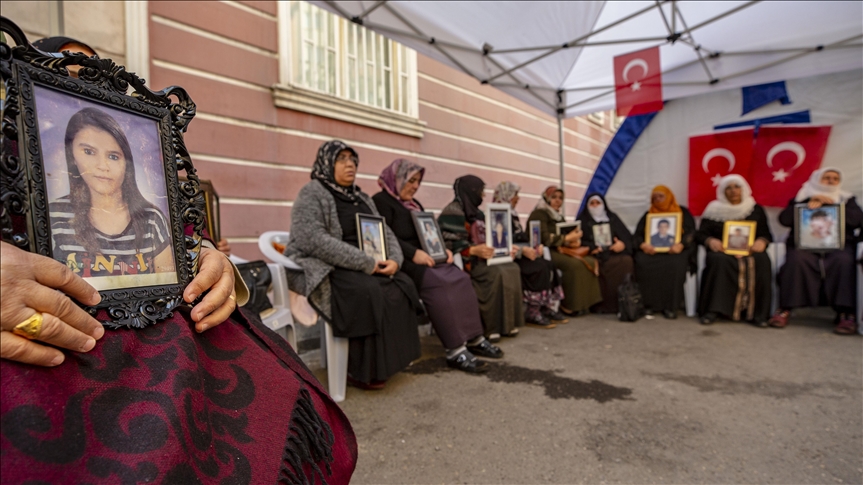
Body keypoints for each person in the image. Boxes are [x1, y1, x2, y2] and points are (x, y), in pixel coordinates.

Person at [1, 37, 357, 484]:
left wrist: (203, 256)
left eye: (113, 152)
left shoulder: (149, 215)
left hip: (172, 324)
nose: (102, 165)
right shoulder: (34, 194)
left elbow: (183, 245)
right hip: (57, 344)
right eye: (62, 81)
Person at [284, 141, 422, 389]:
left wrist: (395, 261)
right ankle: (359, 371)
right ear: (327, 163)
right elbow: (311, 238)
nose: (350, 165)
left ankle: (391, 361)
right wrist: (366, 263)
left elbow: (386, 233)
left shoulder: (362, 197)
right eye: (342, 159)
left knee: (402, 284)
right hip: (326, 263)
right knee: (366, 291)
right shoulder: (312, 192)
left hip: (364, 264)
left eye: (353, 160)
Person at [372, 159, 503, 373]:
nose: (415, 186)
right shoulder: (381, 201)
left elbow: (429, 232)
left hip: (429, 257)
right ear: (396, 178)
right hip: (403, 260)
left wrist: (443, 249)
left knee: (460, 278)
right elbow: (386, 236)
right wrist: (414, 254)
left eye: (418, 181)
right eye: (411, 180)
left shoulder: (415, 205)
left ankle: (474, 339)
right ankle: (455, 350)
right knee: (439, 282)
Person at [50, 107, 175, 278]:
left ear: (127, 163)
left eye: (113, 156)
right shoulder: (54, 215)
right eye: (89, 152)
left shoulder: (151, 219)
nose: (102, 166)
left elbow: (167, 287)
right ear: (72, 155)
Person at [770, 168, 863, 334]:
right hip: (805, 246)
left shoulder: (847, 198)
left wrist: (833, 206)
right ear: (817, 179)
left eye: (835, 178)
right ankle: (785, 309)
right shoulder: (802, 196)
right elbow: (784, 219)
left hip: (838, 247)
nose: (831, 181)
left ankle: (845, 313)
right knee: (796, 260)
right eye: (826, 177)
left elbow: (857, 221)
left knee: (843, 262)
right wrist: (806, 203)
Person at [439, 176, 523, 342]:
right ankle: (489, 326)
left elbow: (491, 237)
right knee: (496, 273)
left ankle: (505, 324)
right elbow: (447, 241)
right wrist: (472, 250)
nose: (483, 195)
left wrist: (505, 248)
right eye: (480, 191)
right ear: (471, 192)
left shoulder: (477, 213)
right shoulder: (453, 211)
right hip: (466, 262)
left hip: (482, 257)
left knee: (512, 269)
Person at [695, 174, 773, 327]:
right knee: (718, 260)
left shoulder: (754, 209)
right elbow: (701, 234)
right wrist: (710, 241)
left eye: (737, 186)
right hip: (722, 251)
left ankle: (757, 314)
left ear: (743, 188)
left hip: (750, 250)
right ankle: (714, 310)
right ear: (722, 191)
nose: (733, 191)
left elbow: (765, 233)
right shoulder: (713, 209)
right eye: (728, 188)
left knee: (761, 260)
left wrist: (761, 241)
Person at [493, 181, 567, 327]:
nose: (518, 198)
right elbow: (500, 243)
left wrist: (533, 247)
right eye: (515, 195)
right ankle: (532, 311)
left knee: (548, 265)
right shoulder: (498, 215)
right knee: (538, 268)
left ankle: (545, 306)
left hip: (519, 253)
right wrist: (522, 251)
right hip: (508, 257)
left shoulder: (512, 215)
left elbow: (521, 237)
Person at [527, 186, 602, 316]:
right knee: (574, 265)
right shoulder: (539, 214)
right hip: (547, 251)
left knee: (589, 260)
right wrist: (566, 238)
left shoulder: (557, 215)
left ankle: (586, 303)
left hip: (560, 249)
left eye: (560, 198)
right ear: (547, 198)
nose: (558, 201)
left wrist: (573, 241)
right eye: (554, 197)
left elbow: (564, 234)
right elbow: (543, 238)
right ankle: (570, 305)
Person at [632, 185, 697, 319]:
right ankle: (649, 305)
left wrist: (682, 244)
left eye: (661, 196)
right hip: (652, 251)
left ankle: (671, 307)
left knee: (675, 264)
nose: (658, 199)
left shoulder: (682, 212)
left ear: (669, 196)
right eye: (654, 197)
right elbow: (637, 236)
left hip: (676, 251)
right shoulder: (649, 214)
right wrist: (643, 245)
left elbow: (692, 233)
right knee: (642, 262)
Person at [578, 194, 634, 314]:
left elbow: (626, 237)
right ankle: (598, 305)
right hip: (594, 255)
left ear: (603, 205)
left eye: (597, 203)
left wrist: (621, 245)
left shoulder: (612, 218)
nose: (595, 206)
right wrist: (592, 247)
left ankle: (622, 302)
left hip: (613, 253)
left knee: (626, 261)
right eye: (592, 204)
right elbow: (578, 241)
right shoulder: (583, 221)